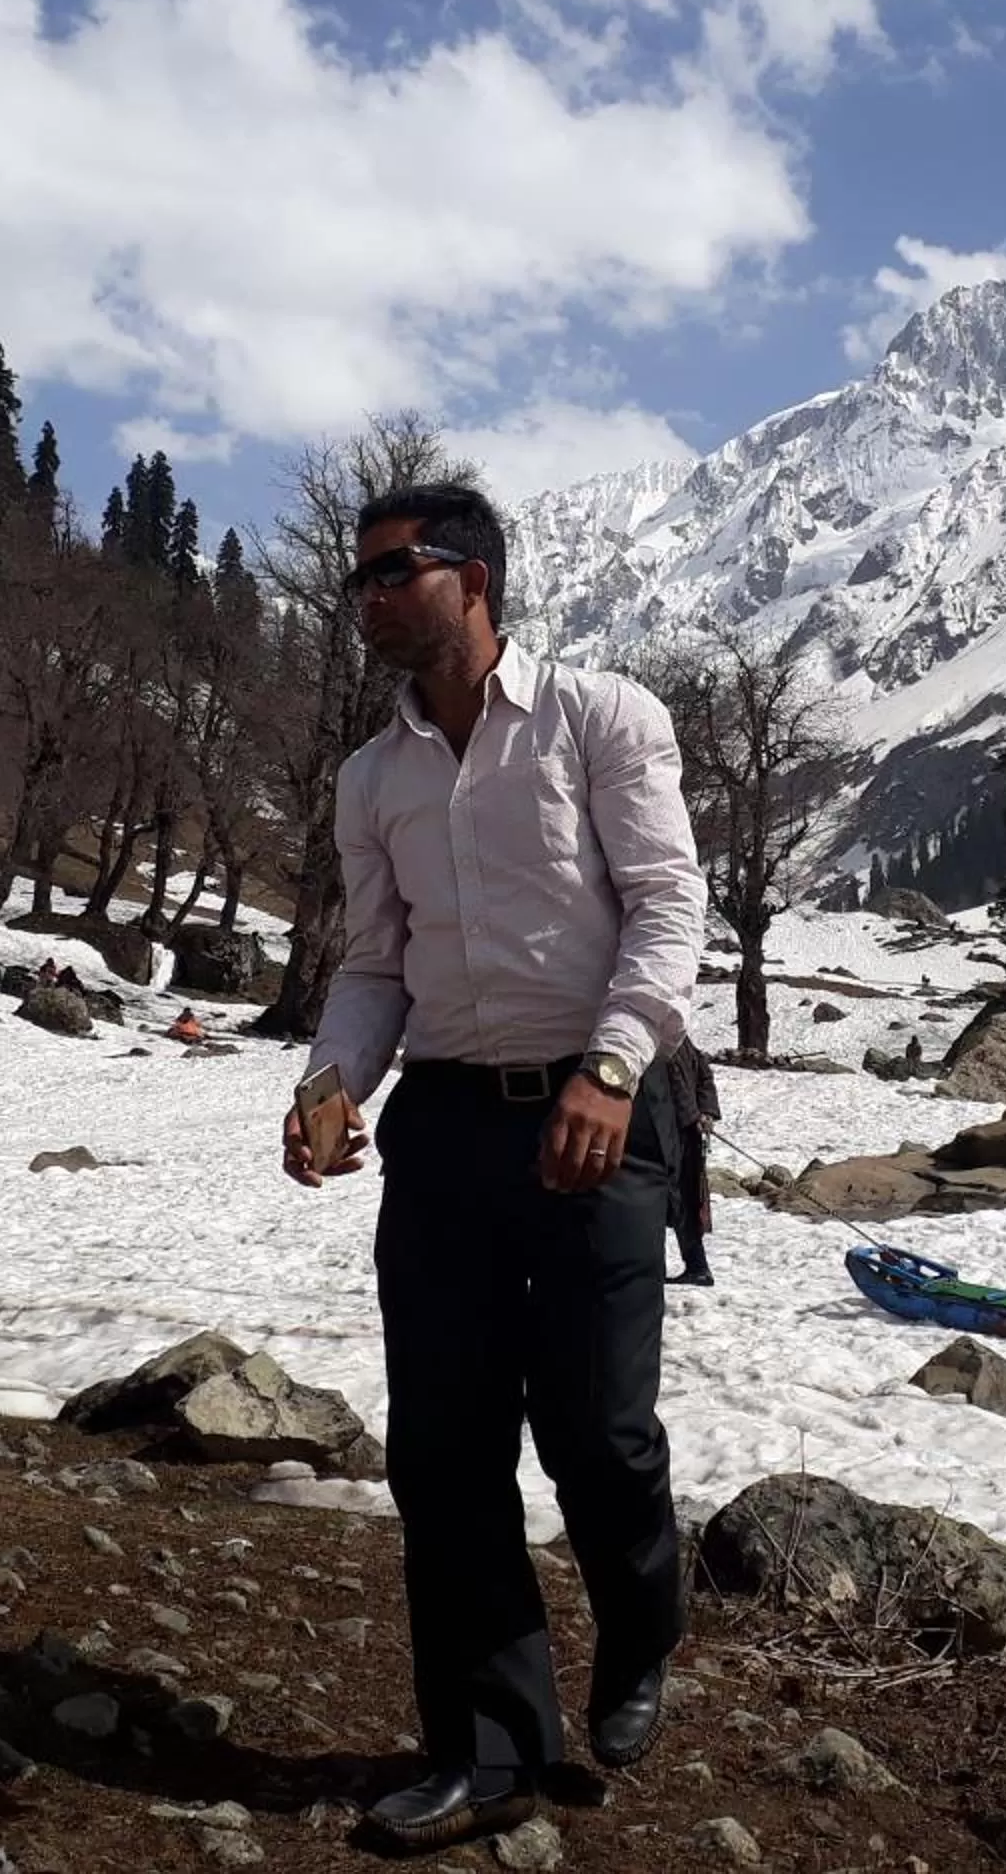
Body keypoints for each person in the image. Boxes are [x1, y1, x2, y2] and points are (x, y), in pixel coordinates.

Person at [283, 482, 706, 1855]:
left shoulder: (601, 717)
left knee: (599, 1432)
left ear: (474, 579)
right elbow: (375, 964)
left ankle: (642, 1630)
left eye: (394, 571)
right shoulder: (371, 776)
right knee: (446, 1450)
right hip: (452, 1126)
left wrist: (615, 1064)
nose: (370, 598)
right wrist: (332, 1078)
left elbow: (666, 903)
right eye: (363, 577)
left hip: (601, 1107)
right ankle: (490, 1747)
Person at [666, 1035, 719, 1286]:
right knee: (681, 1201)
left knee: (684, 1200)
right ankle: (696, 1266)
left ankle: (697, 1266)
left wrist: (703, 1113)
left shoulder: (675, 1041)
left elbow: (700, 1074)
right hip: (678, 1131)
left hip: (679, 1134)